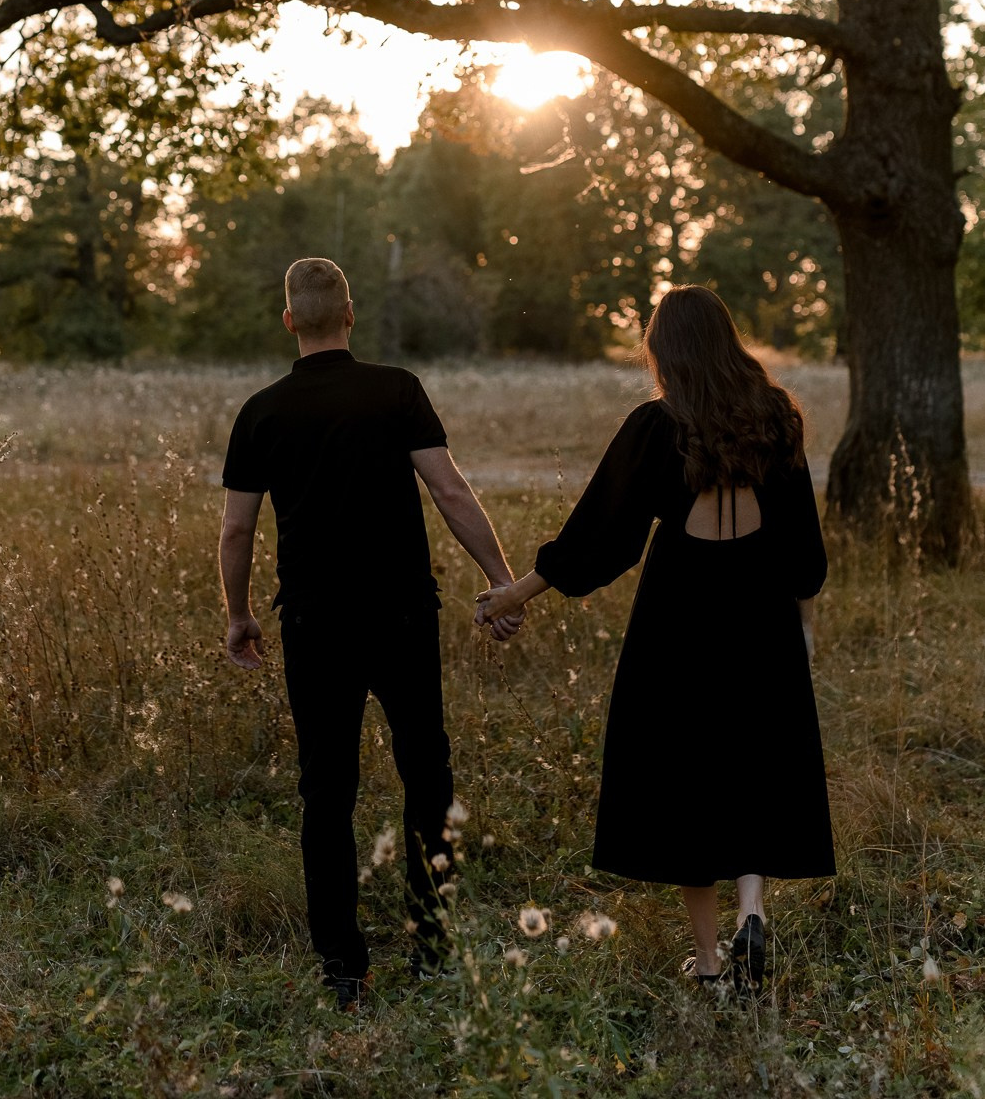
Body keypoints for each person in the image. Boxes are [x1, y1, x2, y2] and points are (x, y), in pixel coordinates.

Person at [476, 285, 835, 991]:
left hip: (680, 617)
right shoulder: (776, 419)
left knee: (684, 780)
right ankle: (751, 912)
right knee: (752, 761)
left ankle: (708, 966)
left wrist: (514, 594)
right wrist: (802, 626)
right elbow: (804, 555)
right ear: (728, 341)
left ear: (664, 351)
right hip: (760, 615)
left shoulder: (655, 425)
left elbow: (599, 540)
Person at [219, 255, 524, 1009]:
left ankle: (343, 970)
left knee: (327, 790)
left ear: (289, 321)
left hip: (316, 625)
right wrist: (503, 579)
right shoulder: (397, 390)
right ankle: (431, 945)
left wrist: (239, 614)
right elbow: (449, 490)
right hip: (402, 616)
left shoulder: (260, 412)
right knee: (428, 774)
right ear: (350, 316)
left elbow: (235, 531)